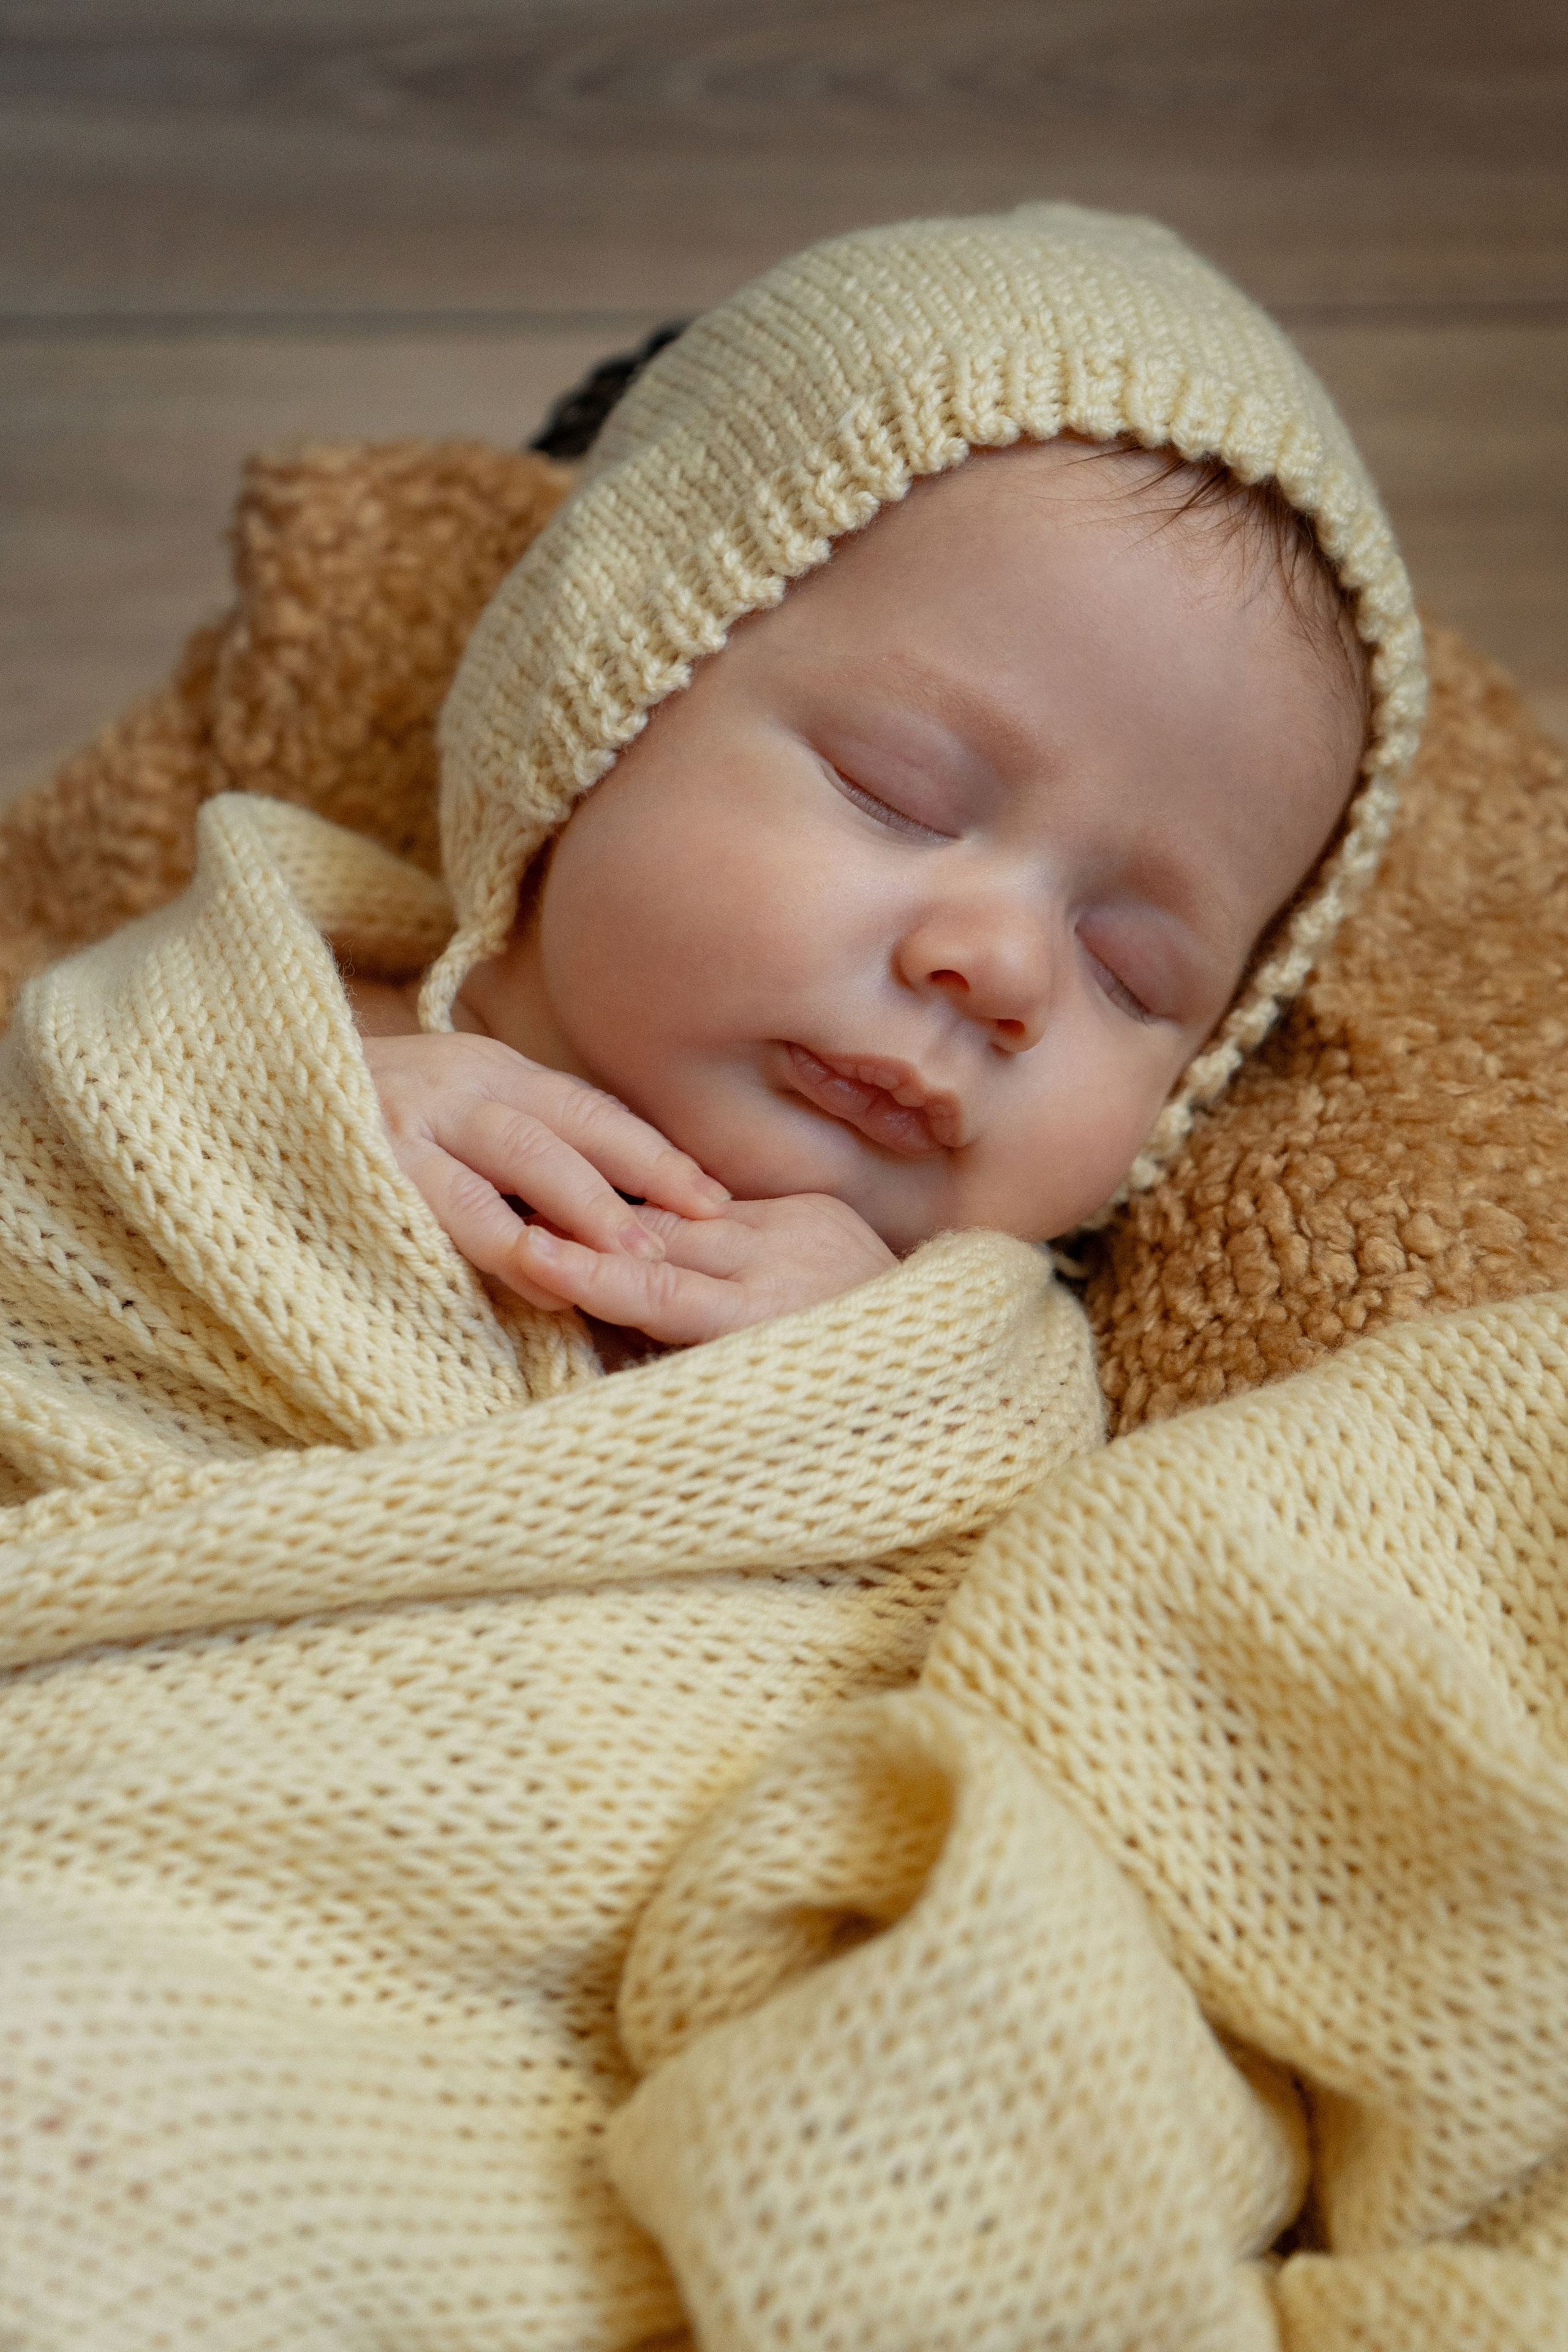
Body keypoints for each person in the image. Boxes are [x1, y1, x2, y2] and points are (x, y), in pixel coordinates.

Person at [348, 201, 1423, 1357]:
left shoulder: (984, 1347)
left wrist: (890, 1363)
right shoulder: (293, 997)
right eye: (894, 795)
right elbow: (124, 1131)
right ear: (603, 695)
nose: (1001, 969)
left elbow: (1066, 1534)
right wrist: (322, 1118)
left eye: (1129, 973)